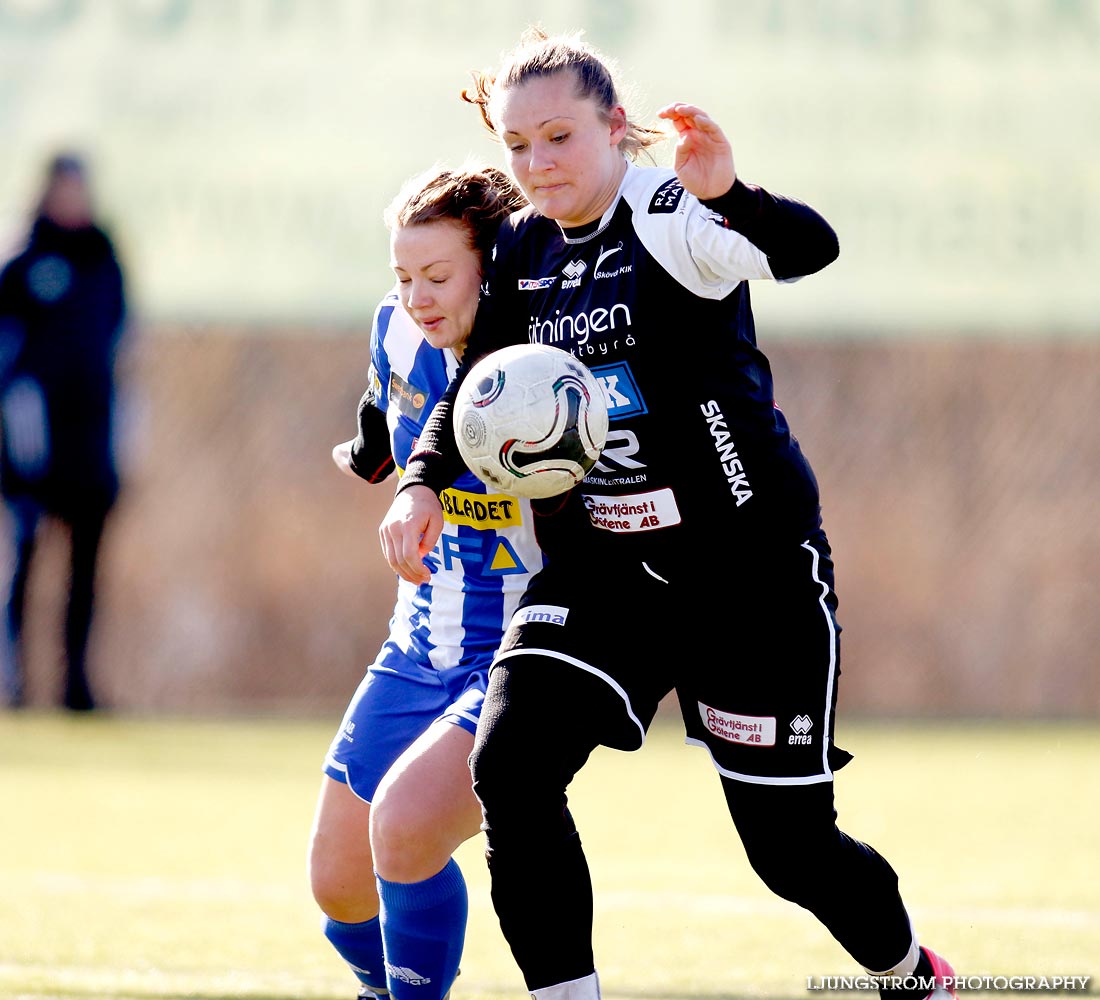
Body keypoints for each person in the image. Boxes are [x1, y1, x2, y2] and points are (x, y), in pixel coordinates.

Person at [379, 28, 958, 1000]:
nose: (537, 163)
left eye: (558, 136)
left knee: (788, 851)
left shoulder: (665, 213)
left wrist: (729, 193)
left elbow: (808, 249)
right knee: (512, 767)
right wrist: (420, 479)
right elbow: (478, 384)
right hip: (603, 569)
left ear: (614, 128)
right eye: (518, 146)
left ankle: (911, 976)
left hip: (745, 574)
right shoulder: (519, 249)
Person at [308, 164, 537, 1000]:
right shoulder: (394, 328)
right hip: (416, 645)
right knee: (337, 879)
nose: (417, 297)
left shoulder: (540, 367)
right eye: (403, 276)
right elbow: (386, 415)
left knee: (403, 829)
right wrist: (373, 456)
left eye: (437, 276)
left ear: (491, 267)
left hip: (520, 650)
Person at [0, 153, 129, 711]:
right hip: (34, 441)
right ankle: (16, 685)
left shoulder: (103, 257)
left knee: (86, 567)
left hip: (91, 437)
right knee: (26, 556)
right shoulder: (24, 262)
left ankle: (76, 686)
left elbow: (121, 338)